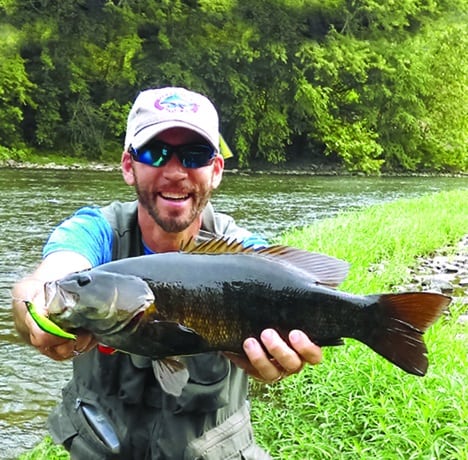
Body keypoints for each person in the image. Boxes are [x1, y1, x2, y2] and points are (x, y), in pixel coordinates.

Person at [12, 87, 322, 459]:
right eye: (155, 153)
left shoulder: (244, 251)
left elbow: (297, 285)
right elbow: (47, 278)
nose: (175, 172)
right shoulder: (94, 230)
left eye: (194, 155)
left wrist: (280, 359)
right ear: (129, 166)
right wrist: (33, 309)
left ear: (216, 170)